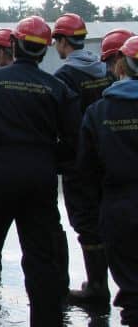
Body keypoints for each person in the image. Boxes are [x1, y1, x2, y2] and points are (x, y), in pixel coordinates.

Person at [0, 16, 79, 326]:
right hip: (38, 180)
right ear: (43, 52)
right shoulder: (57, 89)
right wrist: (47, 161)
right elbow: (72, 142)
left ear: (13, 45)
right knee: (42, 260)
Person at [51, 13, 114, 306]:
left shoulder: (65, 76)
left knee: (87, 223)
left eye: (57, 41)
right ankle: (104, 281)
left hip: (79, 161)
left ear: (64, 41)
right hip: (107, 158)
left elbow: (62, 123)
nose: (55, 47)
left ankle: (97, 287)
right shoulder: (103, 70)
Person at [78, 36, 138, 326]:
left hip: (118, 207)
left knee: (132, 291)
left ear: (121, 66)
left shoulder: (99, 112)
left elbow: (85, 171)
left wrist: (89, 221)